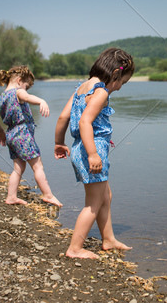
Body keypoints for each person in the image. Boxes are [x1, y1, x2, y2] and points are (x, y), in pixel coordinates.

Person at [54, 48, 134, 258]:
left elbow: (63, 117)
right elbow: (85, 121)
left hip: (79, 146)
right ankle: (75, 248)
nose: (120, 88)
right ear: (115, 74)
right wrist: (93, 154)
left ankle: (108, 239)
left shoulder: (81, 88)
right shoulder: (101, 92)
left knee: (106, 195)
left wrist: (58, 143)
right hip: (92, 148)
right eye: (122, 83)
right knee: (93, 202)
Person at [0, 65, 62, 207]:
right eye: (26, 86)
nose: (26, 90)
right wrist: (42, 101)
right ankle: (48, 195)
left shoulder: (1, 97)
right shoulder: (18, 92)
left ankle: (11, 196)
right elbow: (27, 97)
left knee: (18, 168)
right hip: (23, 134)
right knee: (38, 166)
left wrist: (0, 132)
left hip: (11, 134)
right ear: (20, 80)